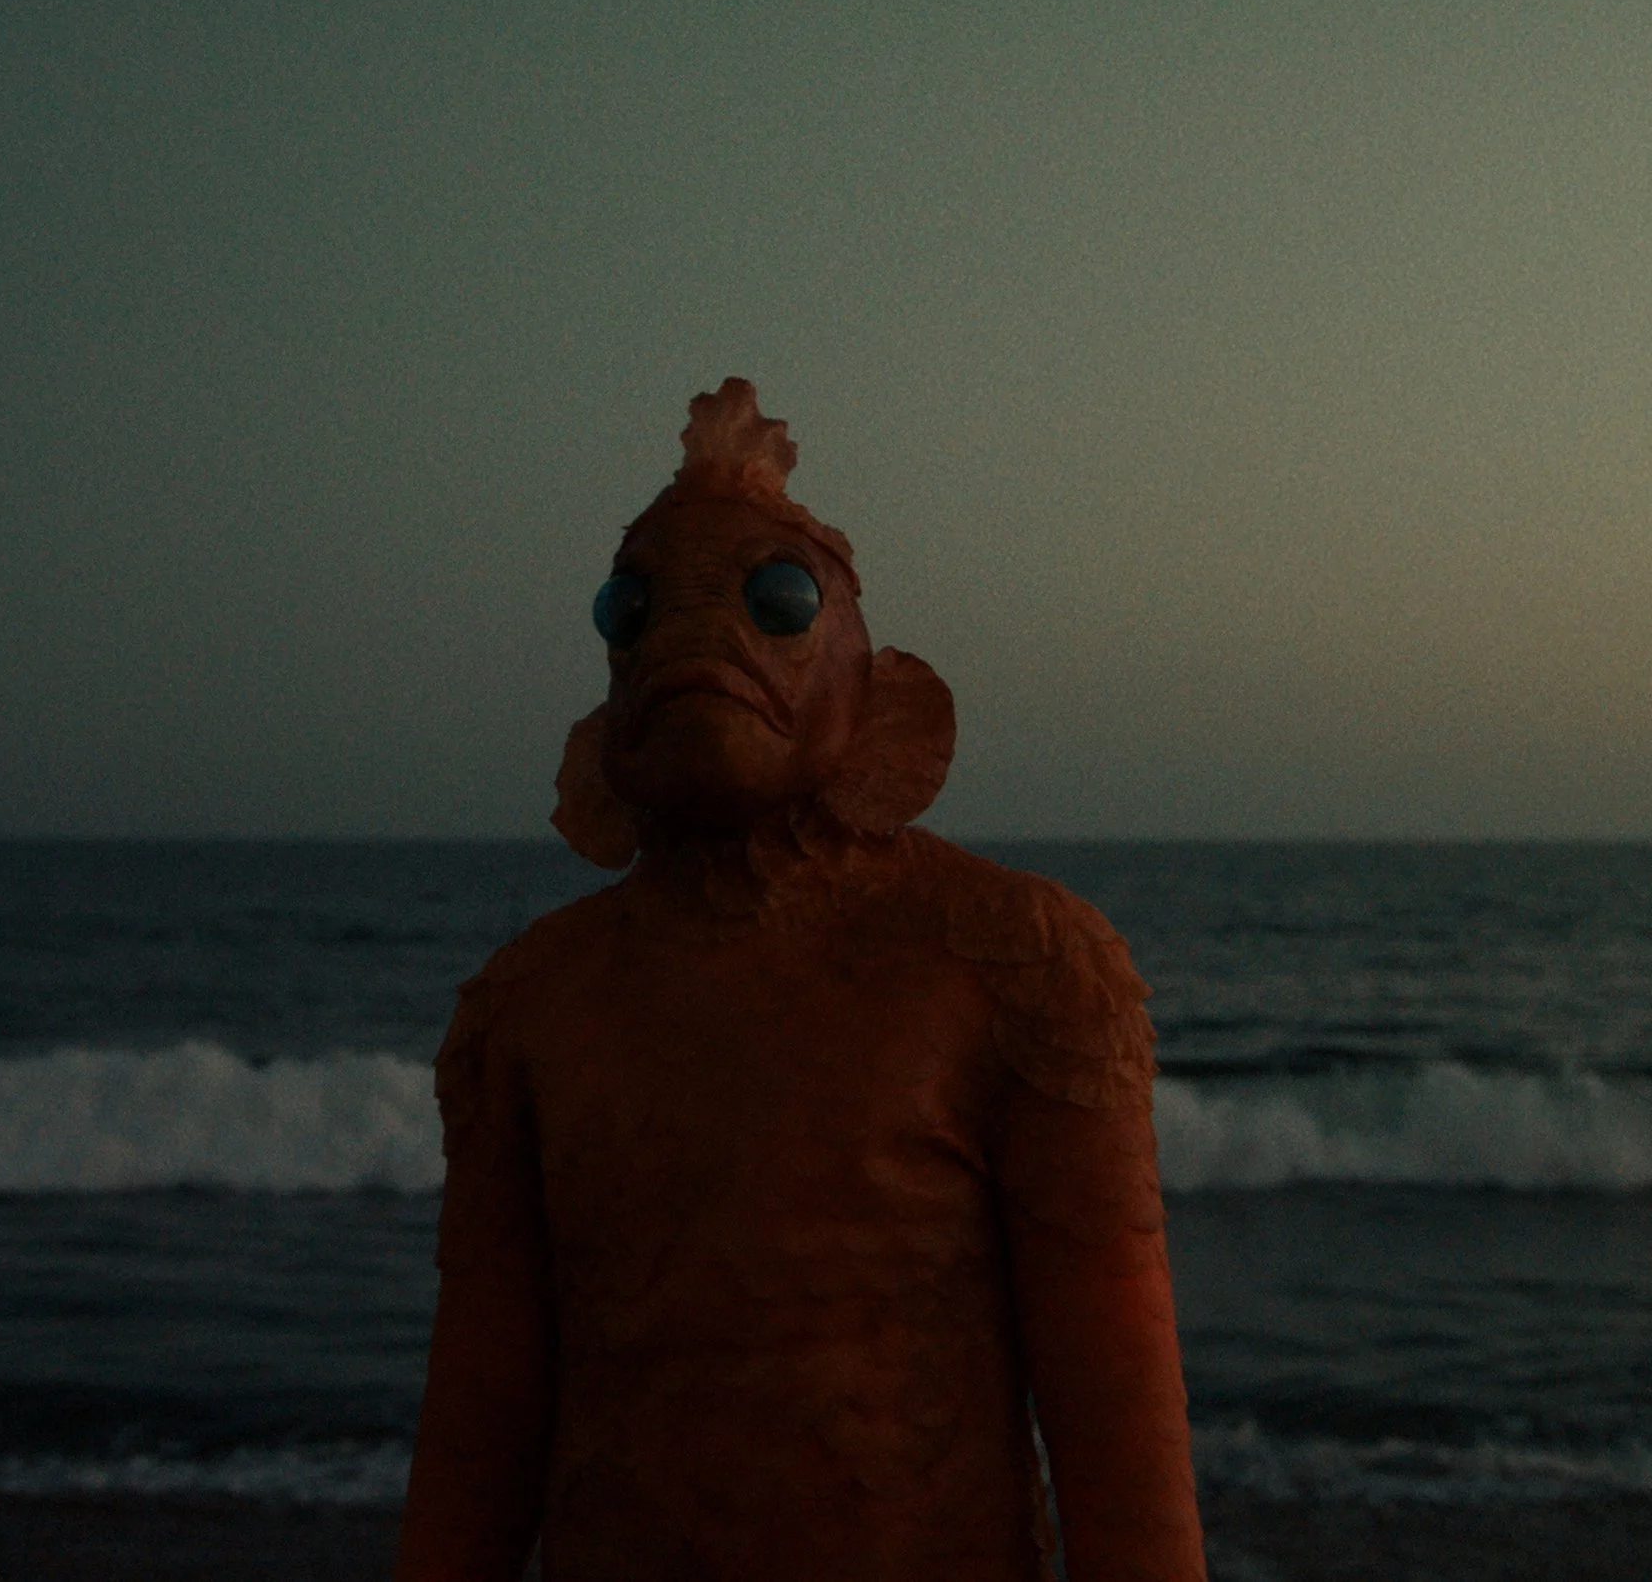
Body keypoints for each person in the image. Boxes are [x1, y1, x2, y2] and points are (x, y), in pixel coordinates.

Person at [395, 380, 1204, 1581]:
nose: (686, 638)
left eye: (775, 602)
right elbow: (478, 1421)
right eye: (633, 610)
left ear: (874, 694)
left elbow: (1117, 1421)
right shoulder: (528, 1005)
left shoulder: (1021, 959)